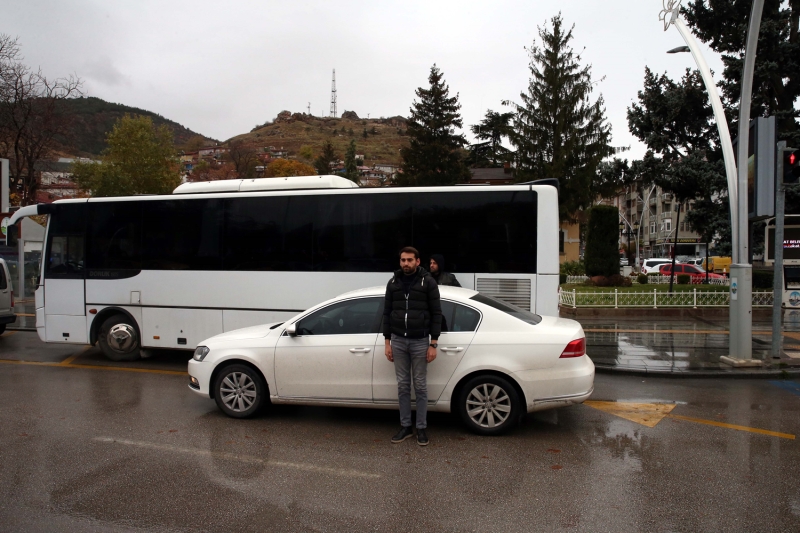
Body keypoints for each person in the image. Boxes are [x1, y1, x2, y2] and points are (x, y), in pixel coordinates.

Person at [384, 246, 442, 446]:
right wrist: (387, 342)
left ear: (417, 261)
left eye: (410, 260)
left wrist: (433, 343)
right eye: (403, 260)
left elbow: (436, 313)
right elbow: (386, 313)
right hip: (398, 340)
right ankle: (406, 426)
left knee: (420, 385)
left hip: (420, 341)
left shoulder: (428, 282)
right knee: (403, 385)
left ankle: (422, 428)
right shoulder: (393, 283)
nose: (406, 263)